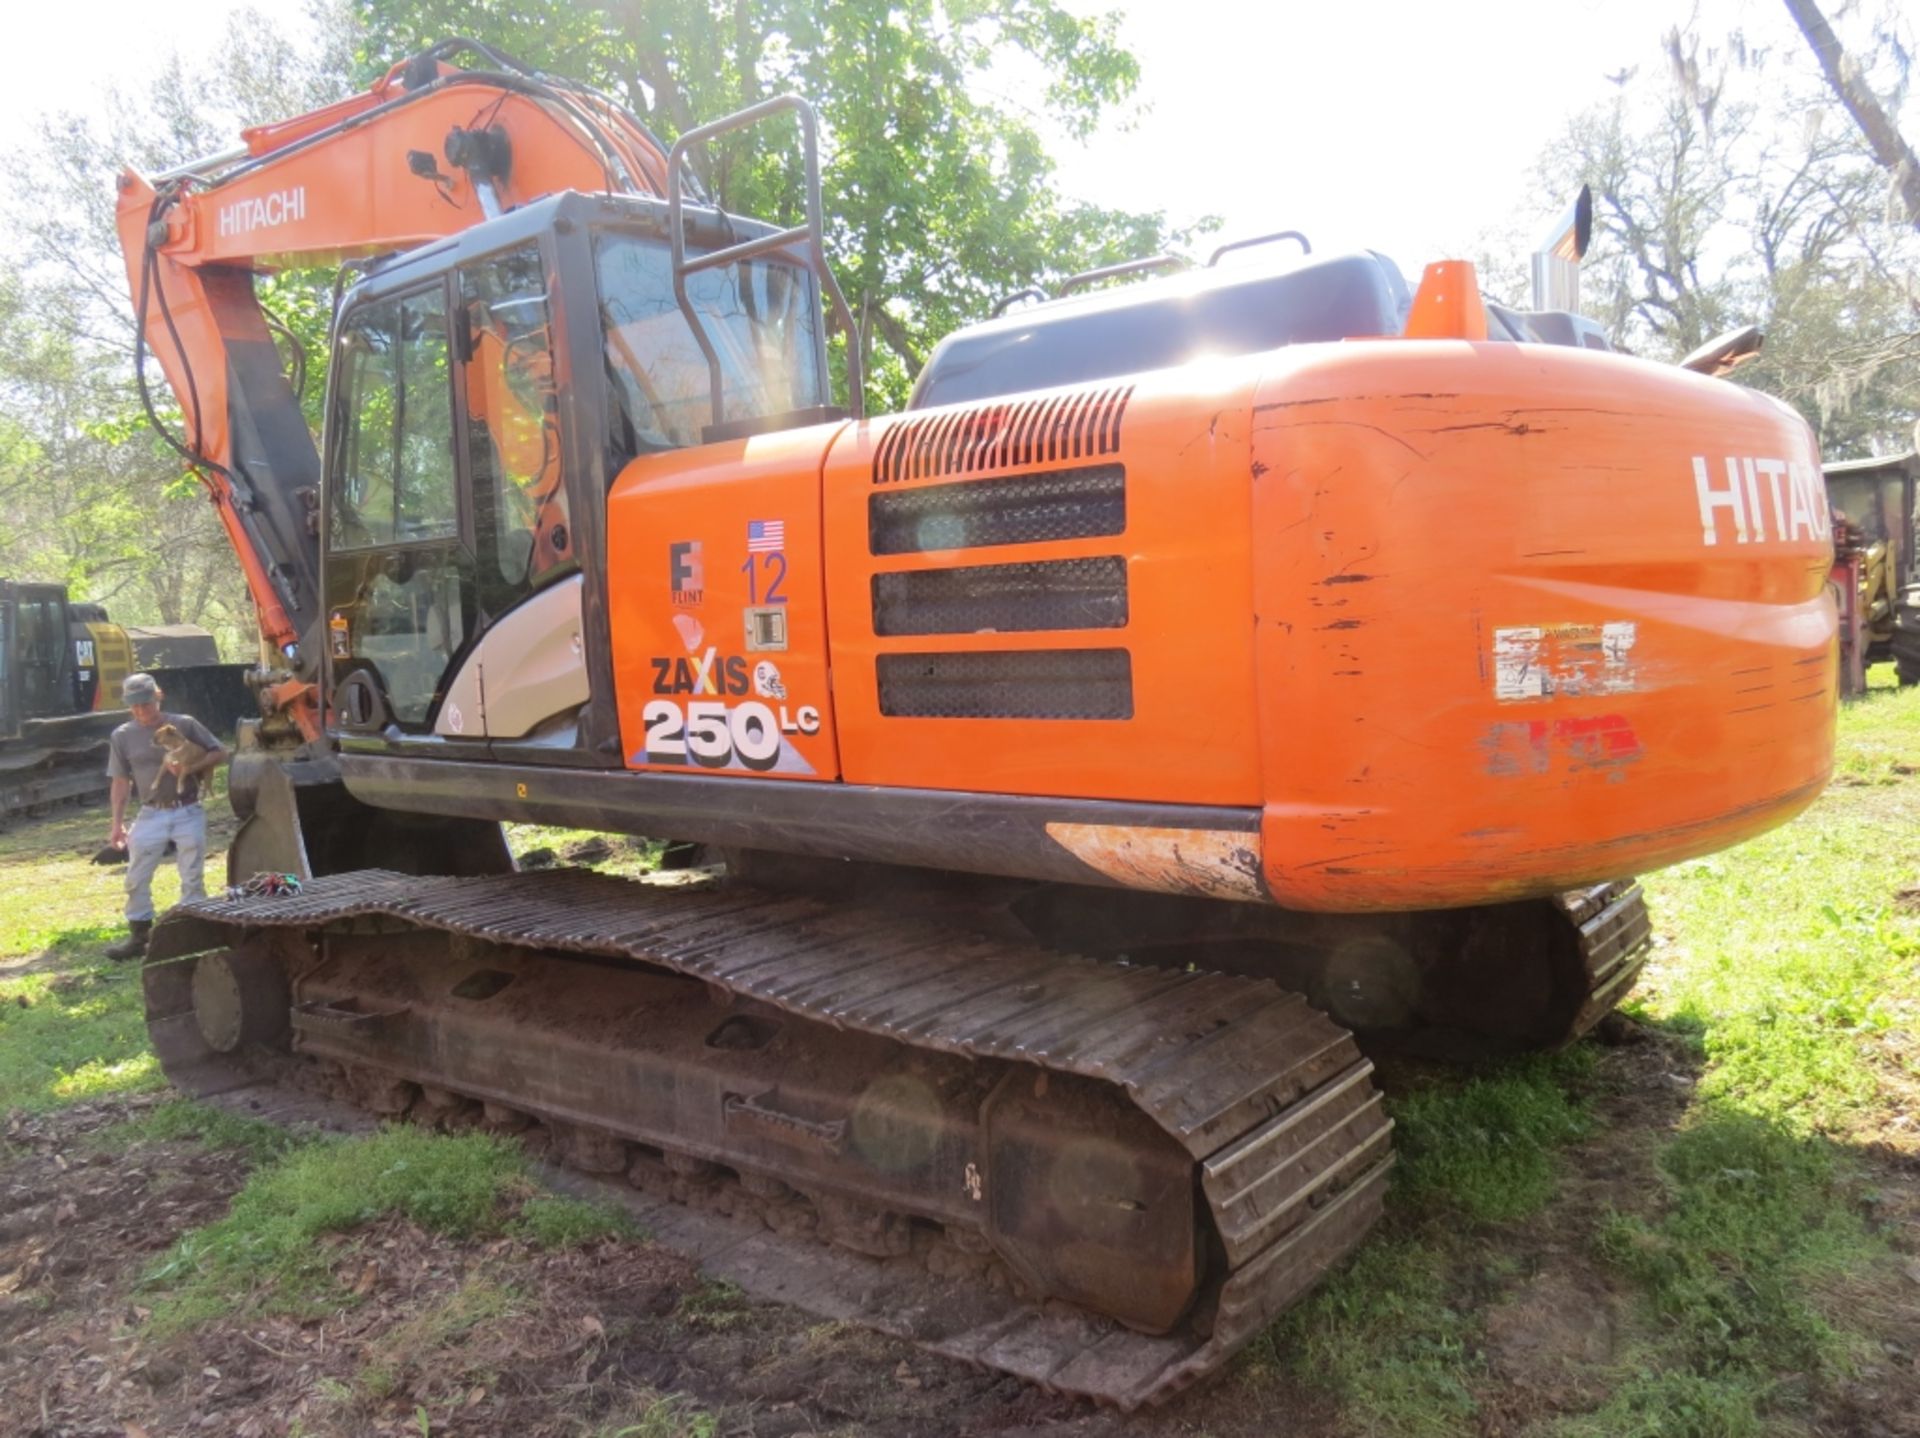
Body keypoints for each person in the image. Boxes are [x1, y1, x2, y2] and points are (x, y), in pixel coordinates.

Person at [103, 673, 228, 961]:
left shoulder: (183, 724)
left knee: (192, 874)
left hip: (187, 808)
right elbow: (121, 782)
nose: (141, 712)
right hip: (151, 812)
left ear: (158, 696)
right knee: (136, 875)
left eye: (146, 704)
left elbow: (220, 752)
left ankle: (194, 932)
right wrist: (117, 824)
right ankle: (139, 936)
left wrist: (195, 765)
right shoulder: (123, 735)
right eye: (134, 706)